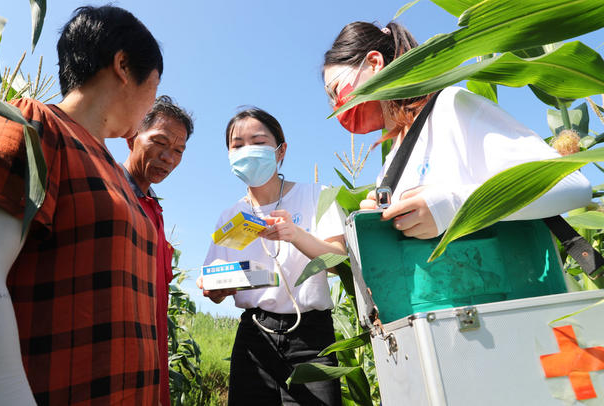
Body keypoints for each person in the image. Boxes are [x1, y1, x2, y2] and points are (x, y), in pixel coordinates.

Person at [0, 6, 163, 405]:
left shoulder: (112, 168)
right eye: (154, 87)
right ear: (123, 65)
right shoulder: (31, 124)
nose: (150, 105)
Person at [322, 21, 591, 236]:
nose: (336, 107)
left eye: (336, 91)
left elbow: (572, 186)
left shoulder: (449, 106)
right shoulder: (389, 166)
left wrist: (452, 206)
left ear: (374, 63)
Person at [199, 108, 345, 405]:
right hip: (255, 336)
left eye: (258, 141)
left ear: (281, 151)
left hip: (311, 337)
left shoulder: (319, 195)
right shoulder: (230, 216)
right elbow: (213, 285)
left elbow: (339, 260)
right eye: (237, 145)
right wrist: (214, 287)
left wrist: (295, 234)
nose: (247, 150)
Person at [122, 95, 193, 406]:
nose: (169, 158)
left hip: (148, 360)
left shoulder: (155, 213)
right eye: (160, 142)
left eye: (178, 151)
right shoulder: (108, 192)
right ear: (132, 136)